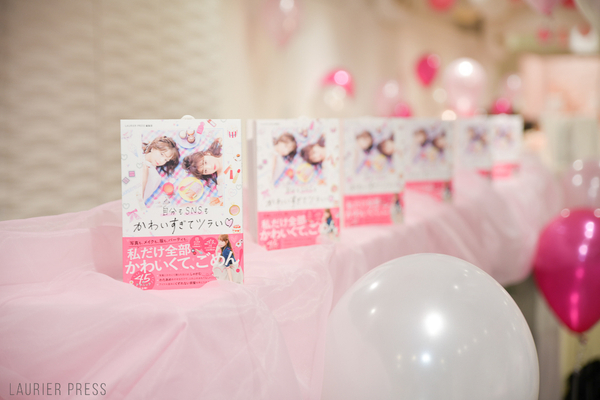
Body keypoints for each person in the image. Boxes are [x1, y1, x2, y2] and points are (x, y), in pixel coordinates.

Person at [182, 138, 224, 205]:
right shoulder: (222, 181)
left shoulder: (223, 145)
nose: (210, 167)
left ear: (207, 154)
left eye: (205, 162)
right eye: (205, 170)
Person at [141, 136, 180, 202]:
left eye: (166, 160)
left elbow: (139, 202)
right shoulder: (135, 154)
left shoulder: (156, 178)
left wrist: (144, 180)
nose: (162, 161)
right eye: (162, 154)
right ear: (153, 148)